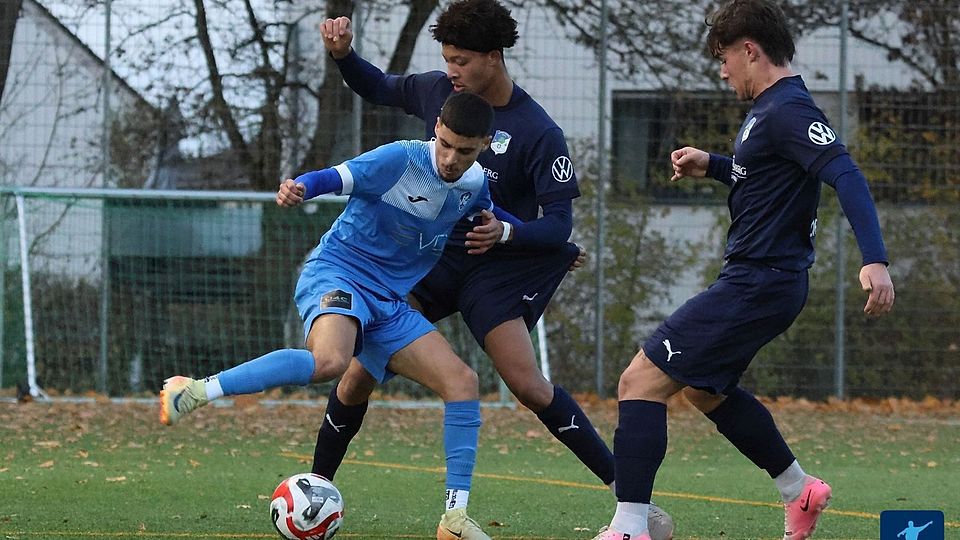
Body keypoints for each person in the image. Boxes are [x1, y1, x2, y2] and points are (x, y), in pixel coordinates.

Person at [315, 2, 675, 539]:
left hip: (495, 271)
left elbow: (558, 227)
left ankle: (629, 503)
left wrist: (509, 233)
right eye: (447, 60)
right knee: (359, 371)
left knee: (527, 385)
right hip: (430, 260)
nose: (451, 70)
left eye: (460, 60)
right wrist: (344, 57)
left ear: (492, 57)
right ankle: (315, 488)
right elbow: (379, 86)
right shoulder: (441, 94)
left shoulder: (538, 131)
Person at [592, 1, 895, 539]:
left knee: (639, 380)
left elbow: (846, 175)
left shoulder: (788, 111)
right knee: (705, 391)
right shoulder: (771, 113)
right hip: (765, 282)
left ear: (749, 49)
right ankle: (798, 490)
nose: (722, 69)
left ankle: (629, 526)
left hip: (759, 281)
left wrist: (875, 259)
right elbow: (765, 182)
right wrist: (713, 165)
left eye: (724, 57)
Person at [159, 91, 508, 540]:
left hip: (389, 302)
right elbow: (336, 177)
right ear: (436, 126)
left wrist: (537, 242)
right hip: (339, 273)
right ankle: (195, 390)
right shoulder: (399, 159)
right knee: (330, 363)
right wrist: (301, 186)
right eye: (444, 143)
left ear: (483, 145)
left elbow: (491, 219)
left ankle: (454, 520)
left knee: (463, 382)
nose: (450, 158)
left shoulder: (475, 184)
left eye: (464, 150)